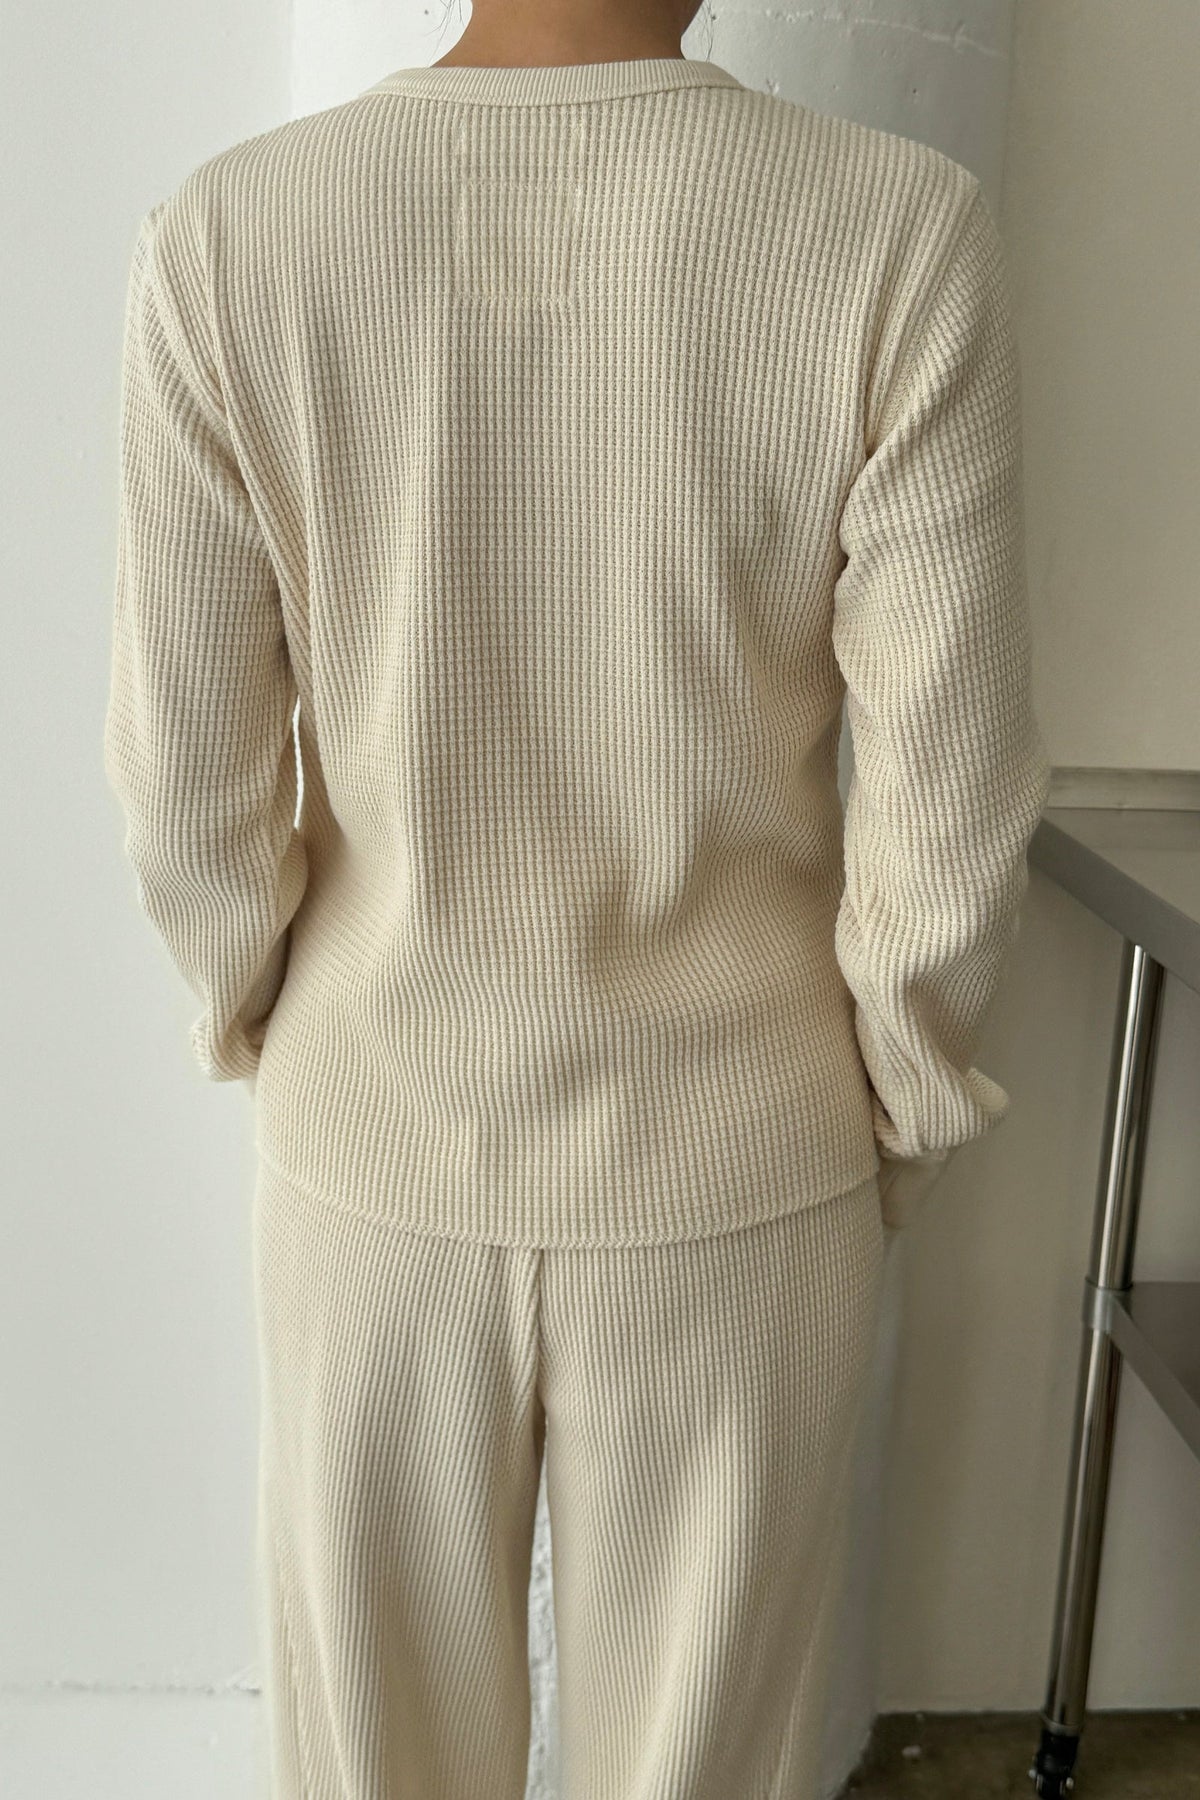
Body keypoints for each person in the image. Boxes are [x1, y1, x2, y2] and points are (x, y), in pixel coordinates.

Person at [102, 0, 1051, 1790]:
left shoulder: (230, 239)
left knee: (372, 1764)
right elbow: (954, 795)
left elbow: (189, 797)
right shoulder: (897, 232)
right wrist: (900, 1105)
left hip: (375, 1145)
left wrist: (268, 1026)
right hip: (747, 1153)